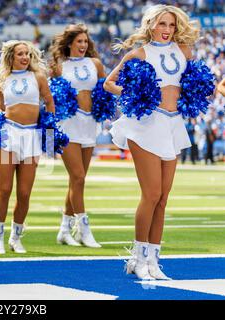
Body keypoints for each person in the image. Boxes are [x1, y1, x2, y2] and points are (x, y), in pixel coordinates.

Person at [104, 5, 199, 280]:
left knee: (163, 199)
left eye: (170, 24)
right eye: (161, 24)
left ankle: (154, 261)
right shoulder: (139, 54)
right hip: (146, 125)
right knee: (152, 194)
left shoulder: (184, 50)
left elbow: (191, 84)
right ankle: (138, 257)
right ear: (150, 25)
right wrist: (136, 95)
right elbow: (110, 84)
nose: (167, 29)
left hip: (172, 124)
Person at [0, 40, 55, 254]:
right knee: (4, 189)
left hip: (31, 136)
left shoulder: (38, 77)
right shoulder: (3, 79)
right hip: (8, 134)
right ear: (11, 57)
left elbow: (49, 103)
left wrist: (50, 136)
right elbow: (2, 107)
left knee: (24, 192)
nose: (25, 57)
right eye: (20, 54)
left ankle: (16, 237)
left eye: (27, 54)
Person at [48, 23, 105, 248]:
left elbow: (105, 89)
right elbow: (50, 97)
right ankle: (83, 229)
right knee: (79, 176)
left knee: (77, 181)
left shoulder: (95, 64)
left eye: (85, 42)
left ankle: (64, 230)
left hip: (89, 123)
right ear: (70, 43)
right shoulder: (59, 67)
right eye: (79, 41)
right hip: (67, 125)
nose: (83, 45)